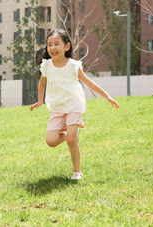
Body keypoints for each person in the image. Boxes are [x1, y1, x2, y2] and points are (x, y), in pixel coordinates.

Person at [30, 29, 119, 180]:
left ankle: (77, 171)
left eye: (57, 44)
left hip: (73, 106)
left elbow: (89, 83)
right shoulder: (46, 66)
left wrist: (107, 96)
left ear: (66, 47)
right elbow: (42, 84)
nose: (52, 48)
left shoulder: (73, 66)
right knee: (51, 141)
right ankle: (66, 136)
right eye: (49, 44)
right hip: (57, 108)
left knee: (72, 140)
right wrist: (40, 100)